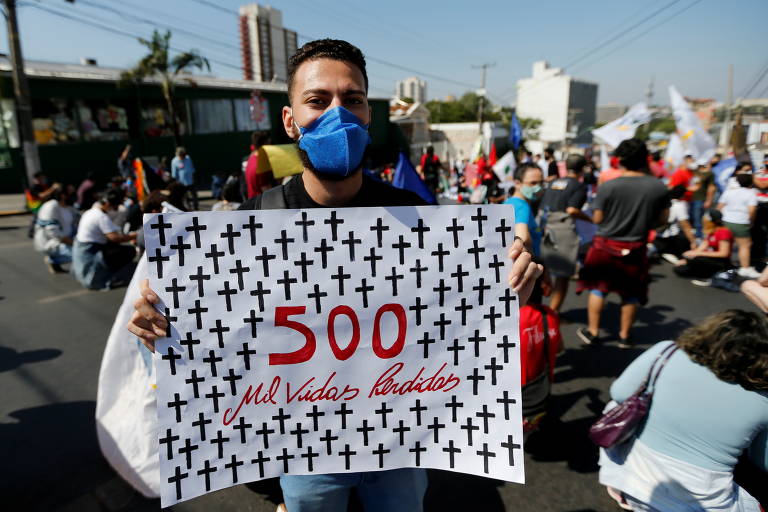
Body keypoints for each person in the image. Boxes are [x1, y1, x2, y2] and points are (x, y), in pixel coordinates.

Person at [126, 38, 543, 512]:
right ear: (290, 120)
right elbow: (221, 350)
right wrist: (163, 327)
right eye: (318, 101)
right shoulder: (247, 226)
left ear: (368, 115)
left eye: (353, 100)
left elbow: (454, 325)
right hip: (305, 453)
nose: (338, 115)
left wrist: (508, 292)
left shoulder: (417, 218)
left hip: (401, 445)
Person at [598, 310, 768, 511]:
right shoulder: (763, 400)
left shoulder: (667, 352)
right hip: (699, 499)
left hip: (632, 476)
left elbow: (620, 393)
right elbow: (761, 461)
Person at [576, 138, 670, 348]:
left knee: (599, 289)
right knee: (630, 294)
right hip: (636, 246)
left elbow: (598, 219)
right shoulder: (658, 187)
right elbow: (662, 221)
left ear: (620, 159)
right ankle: (625, 336)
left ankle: (593, 332)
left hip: (605, 245)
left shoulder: (608, 186)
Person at [540, 154, 592, 313]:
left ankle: (538, 310)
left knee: (543, 270)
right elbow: (572, 210)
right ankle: (552, 313)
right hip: (563, 228)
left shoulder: (554, 182)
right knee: (563, 274)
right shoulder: (578, 185)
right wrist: (591, 220)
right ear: (582, 169)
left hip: (545, 225)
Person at [72, 189, 137, 290]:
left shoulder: (90, 212)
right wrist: (134, 235)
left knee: (115, 247)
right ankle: (110, 274)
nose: (116, 208)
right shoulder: (101, 216)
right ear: (109, 203)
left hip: (85, 248)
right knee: (129, 251)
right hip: (92, 251)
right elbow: (115, 238)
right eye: (116, 204)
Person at [672, 209, 734, 285]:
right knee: (680, 269)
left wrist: (697, 254)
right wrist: (688, 257)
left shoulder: (723, 232)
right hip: (710, 258)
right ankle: (702, 272)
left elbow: (723, 253)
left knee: (697, 259)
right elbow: (702, 247)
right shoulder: (711, 231)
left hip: (720, 262)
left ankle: (709, 277)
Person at [718, 172, 759, 278]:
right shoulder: (751, 193)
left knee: (726, 244)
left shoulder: (729, 192)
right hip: (741, 221)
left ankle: (725, 265)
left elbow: (719, 207)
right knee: (745, 245)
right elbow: (752, 210)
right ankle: (744, 268)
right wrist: (751, 221)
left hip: (726, 220)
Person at [33, 184, 78, 273]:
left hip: (69, 239)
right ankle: (52, 259)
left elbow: (79, 221)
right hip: (53, 243)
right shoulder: (50, 207)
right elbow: (53, 232)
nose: (74, 194)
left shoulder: (69, 207)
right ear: (62, 195)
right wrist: (74, 243)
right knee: (81, 254)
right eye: (71, 192)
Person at [504, 162, 544, 256]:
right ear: (517, 183)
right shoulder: (522, 206)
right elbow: (523, 237)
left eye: (541, 183)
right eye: (533, 183)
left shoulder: (509, 202)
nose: (538, 187)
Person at [653, 185, 696, 263]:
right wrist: (693, 242)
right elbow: (686, 226)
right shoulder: (679, 206)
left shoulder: (662, 202)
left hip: (656, 236)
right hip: (670, 239)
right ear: (682, 195)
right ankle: (669, 253)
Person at [244, 131, 275, 199]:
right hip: (261, 205)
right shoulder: (262, 165)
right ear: (266, 144)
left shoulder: (251, 158)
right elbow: (267, 191)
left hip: (252, 203)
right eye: (269, 143)